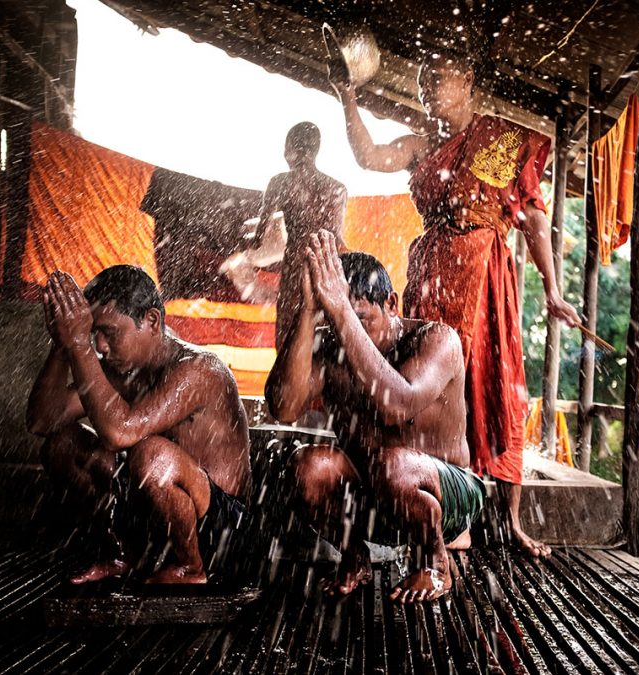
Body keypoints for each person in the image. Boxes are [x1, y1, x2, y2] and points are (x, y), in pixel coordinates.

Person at [332, 53, 580, 558]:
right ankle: (437, 506)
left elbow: (534, 221)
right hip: (430, 277)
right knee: (425, 389)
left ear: (468, 80)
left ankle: (507, 521)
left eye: (436, 79)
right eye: (422, 82)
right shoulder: (422, 142)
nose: (426, 91)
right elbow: (369, 156)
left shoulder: (504, 139)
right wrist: (347, 95)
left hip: (485, 279)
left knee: (497, 387)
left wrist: (552, 290)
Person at [265, 232, 483, 603]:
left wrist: (341, 313)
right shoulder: (329, 342)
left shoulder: (436, 339)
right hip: (373, 498)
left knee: (394, 465)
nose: (342, 331)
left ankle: (435, 565)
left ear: (392, 304)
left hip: (445, 497)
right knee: (307, 465)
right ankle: (354, 557)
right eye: (331, 318)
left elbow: (396, 406)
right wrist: (307, 310)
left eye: (360, 318)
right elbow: (283, 407)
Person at [26, 265, 251, 585]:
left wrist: (80, 344)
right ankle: (121, 554)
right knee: (64, 444)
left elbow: (120, 433)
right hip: (156, 519)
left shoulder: (200, 369)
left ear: (152, 321)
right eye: (94, 333)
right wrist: (63, 343)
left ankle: (191, 569)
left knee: (151, 455)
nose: (100, 346)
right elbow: (42, 421)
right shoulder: (122, 369)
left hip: (222, 533)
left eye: (110, 333)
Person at [219, 122, 348, 347]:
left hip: (297, 263)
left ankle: (289, 374)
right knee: (324, 334)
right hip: (327, 266)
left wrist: (240, 242)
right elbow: (337, 238)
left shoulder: (280, 182)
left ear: (290, 148)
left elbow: (258, 239)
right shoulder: (338, 188)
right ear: (315, 150)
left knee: (290, 333)